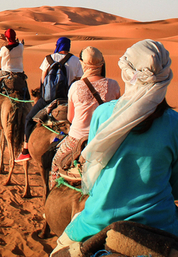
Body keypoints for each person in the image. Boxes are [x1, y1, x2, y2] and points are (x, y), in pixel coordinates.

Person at [51, 40, 178, 255]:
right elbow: (175, 183)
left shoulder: (103, 115)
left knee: (58, 251)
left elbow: (95, 167)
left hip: (98, 221)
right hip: (161, 224)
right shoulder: (174, 123)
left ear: (129, 74)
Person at [49, 46, 120, 189]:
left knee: (56, 164)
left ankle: (51, 197)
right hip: (105, 140)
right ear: (101, 64)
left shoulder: (75, 87)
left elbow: (70, 117)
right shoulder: (113, 85)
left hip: (77, 140)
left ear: (83, 64)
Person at [16, 37, 83, 162]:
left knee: (29, 119)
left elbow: (43, 80)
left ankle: (25, 150)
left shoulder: (48, 59)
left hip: (48, 100)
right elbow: (78, 80)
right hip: (67, 99)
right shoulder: (75, 60)